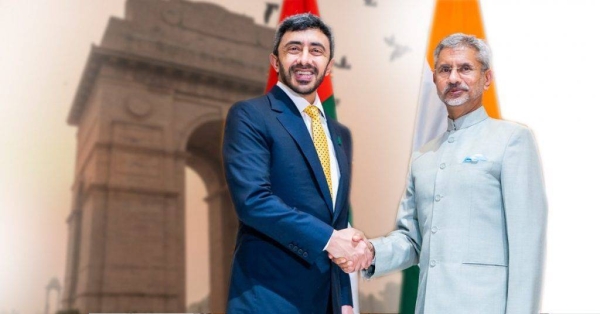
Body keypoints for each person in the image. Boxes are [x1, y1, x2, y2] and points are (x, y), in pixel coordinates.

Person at [334, 33, 548, 313]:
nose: (454, 78)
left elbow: (527, 247)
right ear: (435, 79)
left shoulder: (512, 140)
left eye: (465, 68)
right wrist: (371, 252)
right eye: (445, 70)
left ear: (487, 78)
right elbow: (412, 240)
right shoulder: (424, 156)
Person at [222, 13, 372, 314]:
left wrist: (344, 298)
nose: (305, 59)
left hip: (327, 301)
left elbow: (337, 220)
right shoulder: (250, 116)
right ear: (275, 62)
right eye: (294, 49)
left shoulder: (341, 134)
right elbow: (254, 202)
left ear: (329, 66)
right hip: (269, 297)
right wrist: (329, 239)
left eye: (316, 50)